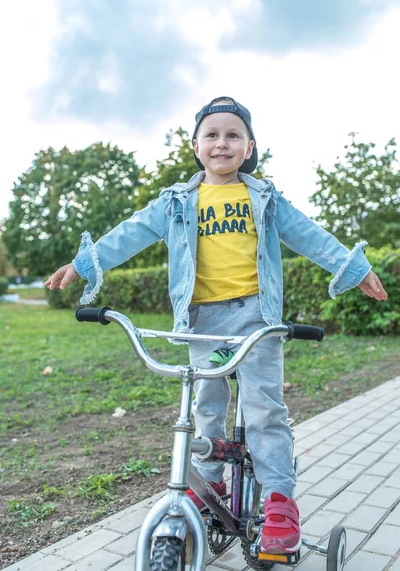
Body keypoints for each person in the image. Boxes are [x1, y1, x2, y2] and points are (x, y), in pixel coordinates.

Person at [45, 96, 388, 554]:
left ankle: (279, 500)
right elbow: (130, 232)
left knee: (264, 409)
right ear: (195, 145)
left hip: (255, 317)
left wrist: (353, 266)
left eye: (233, 135)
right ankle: (209, 490)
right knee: (204, 405)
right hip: (202, 319)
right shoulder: (176, 203)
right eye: (212, 134)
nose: (221, 143)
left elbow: (308, 234)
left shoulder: (262, 197)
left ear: (249, 147)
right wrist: (84, 265)